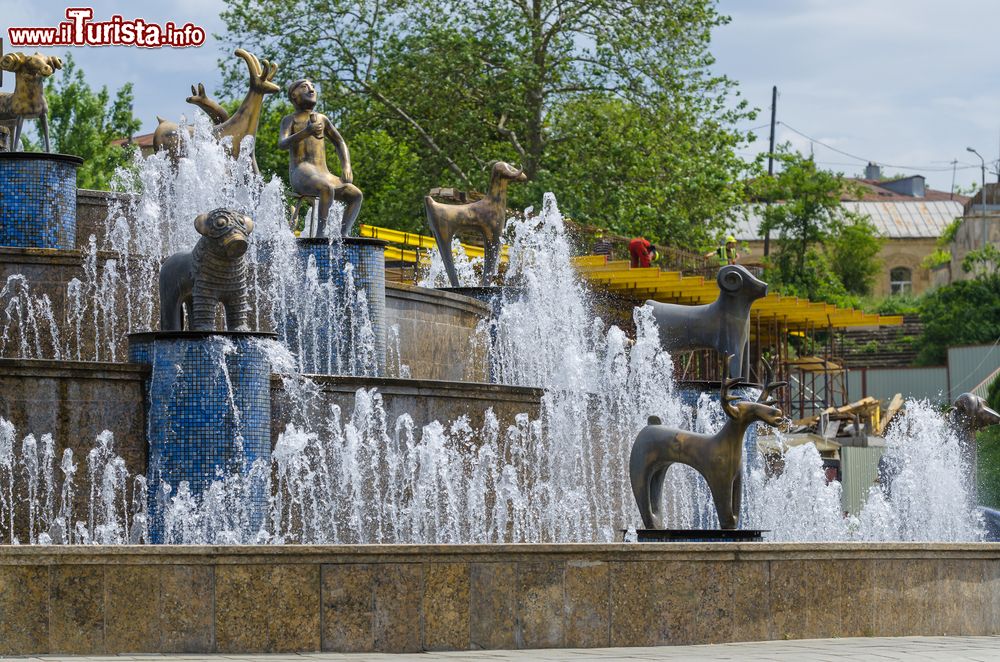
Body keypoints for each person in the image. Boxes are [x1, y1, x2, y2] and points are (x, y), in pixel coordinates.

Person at [278, 79, 364, 237]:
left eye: (312, 87)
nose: (311, 89)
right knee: (326, 187)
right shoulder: (290, 120)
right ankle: (321, 235)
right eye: (305, 87)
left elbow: (340, 141)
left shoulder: (322, 119)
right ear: (294, 95)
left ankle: (343, 235)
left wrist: (346, 166)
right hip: (301, 173)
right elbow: (282, 144)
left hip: (323, 173)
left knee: (355, 194)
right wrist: (306, 132)